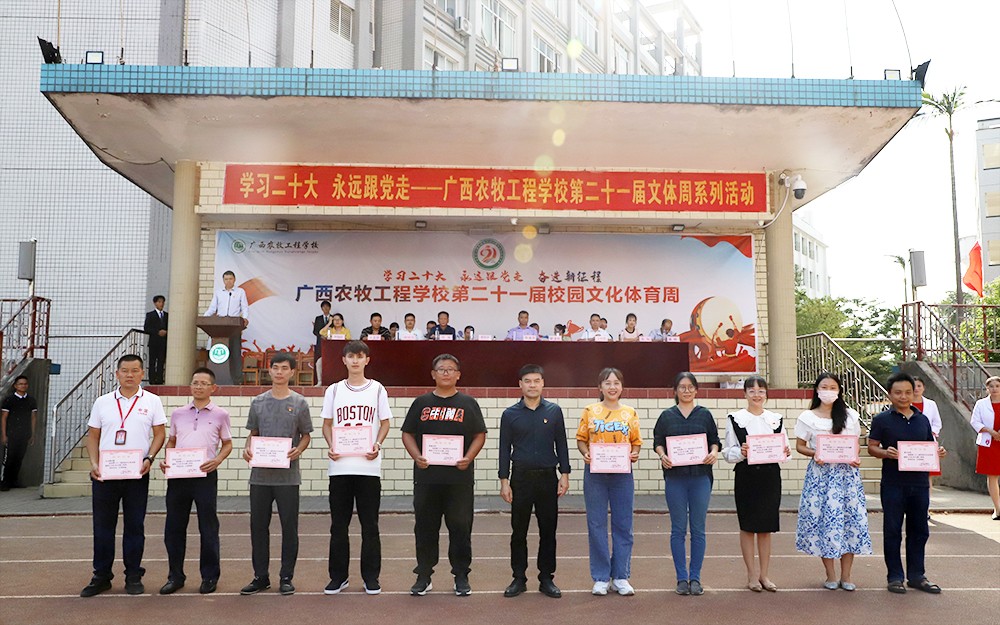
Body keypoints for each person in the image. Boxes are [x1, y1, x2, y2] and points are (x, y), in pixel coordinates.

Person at [80, 354, 166, 597]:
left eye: (135, 370)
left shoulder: (152, 401)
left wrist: (149, 458)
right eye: (125, 370)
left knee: (134, 526)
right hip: (105, 475)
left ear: (142, 373)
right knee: (103, 527)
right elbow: (93, 436)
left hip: (136, 473)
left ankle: (133, 575)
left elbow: (159, 434)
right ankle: (101, 576)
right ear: (117, 374)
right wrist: (94, 463)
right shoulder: (103, 402)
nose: (130, 375)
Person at [401, 354, 487, 597]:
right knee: (425, 528)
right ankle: (424, 575)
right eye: (441, 369)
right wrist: (417, 456)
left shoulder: (468, 403)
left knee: (460, 528)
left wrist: (468, 457)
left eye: (451, 369)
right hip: (427, 479)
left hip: (459, 480)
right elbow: (407, 433)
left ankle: (461, 575)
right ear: (433, 374)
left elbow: (480, 434)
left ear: (458, 375)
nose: (446, 373)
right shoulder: (421, 403)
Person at [321, 340, 392, 596]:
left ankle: (371, 577)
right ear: (344, 360)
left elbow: (385, 423)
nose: (355, 360)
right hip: (340, 467)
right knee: (338, 525)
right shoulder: (334, 390)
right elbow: (327, 424)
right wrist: (331, 445)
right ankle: (338, 577)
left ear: (366, 360)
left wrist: (377, 444)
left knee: (369, 525)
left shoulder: (377, 389)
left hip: (368, 467)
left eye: (360, 356)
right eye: (351, 356)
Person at [241, 352, 313, 596]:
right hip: (260, 477)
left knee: (289, 527)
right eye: (275, 368)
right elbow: (253, 433)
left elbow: (306, 435)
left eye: (284, 368)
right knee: (258, 527)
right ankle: (260, 576)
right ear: (269, 371)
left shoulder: (300, 403)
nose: (279, 372)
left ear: (292, 372)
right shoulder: (258, 402)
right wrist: (247, 448)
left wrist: (298, 450)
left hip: (288, 478)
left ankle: (286, 577)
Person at [868, 372, 947, 594]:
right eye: (898, 393)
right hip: (893, 483)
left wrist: (938, 452)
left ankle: (917, 576)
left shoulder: (923, 419)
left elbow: (930, 446)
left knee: (920, 530)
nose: (903, 397)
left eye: (908, 392)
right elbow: (872, 447)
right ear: (889, 394)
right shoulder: (881, 420)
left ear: (914, 393)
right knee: (893, 530)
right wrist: (886, 453)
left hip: (920, 484)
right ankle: (895, 576)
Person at [158, 367, 233, 595]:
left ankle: (209, 577)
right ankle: (175, 576)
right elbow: (172, 441)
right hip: (179, 476)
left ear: (213, 388)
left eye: (203, 383)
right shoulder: (178, 414)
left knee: (208, 527)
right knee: (174, 527)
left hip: (205, 476)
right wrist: (167, 459)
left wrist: (217, 460)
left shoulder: (221, 414)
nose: (198, 387)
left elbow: (227, 444)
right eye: (195, 383)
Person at [498, 364, 570, 599]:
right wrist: (504, 480)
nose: (532, 385)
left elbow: (561, 444)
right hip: (520, 478)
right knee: (518, 531)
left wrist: (565, 474)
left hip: (548, 478)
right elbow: (503, 449)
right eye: (527, 381)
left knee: (548, 531)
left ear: (543, 383)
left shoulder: (554, 411)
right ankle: (518, 578)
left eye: (536, 381)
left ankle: (546, 578)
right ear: (520, 384)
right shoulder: (510, 414)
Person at [794, 372, 871, 591]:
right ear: (817, 390)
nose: (828, 391)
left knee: (849, 522)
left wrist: (854, 457)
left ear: (839, 391)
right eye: (824, 387)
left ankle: (846, 575)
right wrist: (815, 453)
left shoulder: (851, 416)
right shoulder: (807, 417)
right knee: (824, 522)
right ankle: (830, 574)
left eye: (833, 387)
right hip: (820, 478)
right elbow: (800, 446)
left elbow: (855, 445)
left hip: (847, 477)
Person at [653, 371, 720, 596]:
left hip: (700, 478)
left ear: (696, 390)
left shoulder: (705, 415)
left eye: (690, 387)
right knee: (678, 529)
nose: (687, 390)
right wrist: (662, 455)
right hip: (675, 479)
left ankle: (696, 578)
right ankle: (681, 578)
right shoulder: (667, 416)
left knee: (698, 529)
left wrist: (713, 452)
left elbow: (715, 441)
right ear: (675, 390)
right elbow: (658, 441)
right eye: (682, 387)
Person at [576, 367, 641, 596]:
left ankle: (621, 576)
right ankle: (601, 577)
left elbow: (636, 442)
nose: (612, 387)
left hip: (622, 474)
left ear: (622, 387)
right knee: (596, 524)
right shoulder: (590, 411)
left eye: (616, 383)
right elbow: (581, 439)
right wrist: (585, 452)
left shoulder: (630, 413)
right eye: (607, 383)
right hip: (595, 474)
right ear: (600, 387)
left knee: (624, 524)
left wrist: (634, 453)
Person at [722, 376, 789, 592]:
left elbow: (785, 450)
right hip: (747, 476)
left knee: (766, 528)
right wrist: (740, 452)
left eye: (761, 391)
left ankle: (764, 575)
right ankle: (751, 575)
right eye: (752, 391)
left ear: (766, 394)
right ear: (745, 394)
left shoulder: (776, 419)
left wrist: (785, 452)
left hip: (770, 477)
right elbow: (727, 452)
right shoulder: (735, 418)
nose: (756, 395)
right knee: (748, 526)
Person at [205, 270, 250, 382]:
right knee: (221, 352)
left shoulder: (240, 292)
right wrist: (205, 318)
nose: (228, 281)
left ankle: (237, 379)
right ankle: (217, 378)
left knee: (235, 353)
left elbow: (244, 307)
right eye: (226, 279)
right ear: (223, 280)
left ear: (234, 280)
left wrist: (245, 318)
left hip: (234, 326)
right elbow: (212, 308)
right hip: (220, 326)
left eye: (230, 279)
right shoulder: (218, 292)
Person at [970, 376, 1000, 520]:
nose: (994, 389)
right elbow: (975, 421)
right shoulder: (981, 404)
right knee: (992, 475)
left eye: (997, 386)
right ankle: (998, 508)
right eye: (991, 386)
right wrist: (990, 431)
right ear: (987, 388)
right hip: (988, 443)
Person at [1, 376, 38, 491]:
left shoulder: (31, 400)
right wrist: (4, 435)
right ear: (15, 386)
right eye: (20, 384)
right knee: (9, 457)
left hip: (24, 433)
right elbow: (4, 418)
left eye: (25, 384)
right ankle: (5, 481)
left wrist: (32, 434)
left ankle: (14, 480)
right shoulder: (9, 400)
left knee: (19, 457)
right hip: (11, 433)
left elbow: (33, 417)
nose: (23, 386)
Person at [912, 375, 943, 485]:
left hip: (928, 441)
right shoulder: (905, 404)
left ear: (923, 388)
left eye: (919, 386)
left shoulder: (931, 404)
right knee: (912, 472)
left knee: (928, 473)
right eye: (914, 386)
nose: (916, 389)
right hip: (910, 442)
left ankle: (927, 495)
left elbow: (937, 423)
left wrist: (930, 432)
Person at [143, 295, 168, 385]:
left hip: (163, 342)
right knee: (152, 361)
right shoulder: (150, 315)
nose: (161, 304)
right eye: (159, 302)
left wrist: (166, 332)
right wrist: (157, 332)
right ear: (155, 303)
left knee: (161, 361)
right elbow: (147, 328)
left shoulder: (167, 315)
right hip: (154, 342)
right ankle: (152, 379)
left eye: (163, 302)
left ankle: (160, 379)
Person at [313, 300, 333, 382]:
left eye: (327, 307)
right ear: (321, 308)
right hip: (320, 343)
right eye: (324, 307)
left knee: (331, 361)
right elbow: (315, 331)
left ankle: (330, 379)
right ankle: (320, 380)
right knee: (319, 361)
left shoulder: (334, 318)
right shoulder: (318, 318)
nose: (325, 308)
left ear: (330, 308)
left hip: (331, 344)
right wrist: (321, 336)